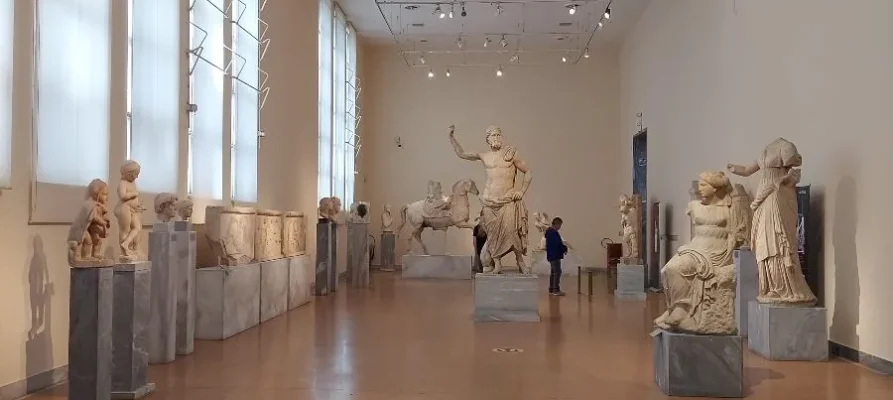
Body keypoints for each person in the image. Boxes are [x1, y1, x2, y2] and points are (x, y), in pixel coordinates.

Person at [545, 217, 568, 296]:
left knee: (553, 272)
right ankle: (555, 289)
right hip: (555, 255)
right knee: (557, 272)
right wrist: (564, 248)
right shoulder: (552, 233)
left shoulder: (550, 232)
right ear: (557, 224)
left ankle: (552, 288)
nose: (560, 227)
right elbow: (557, 244)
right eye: (560, 225)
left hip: (552, 254)